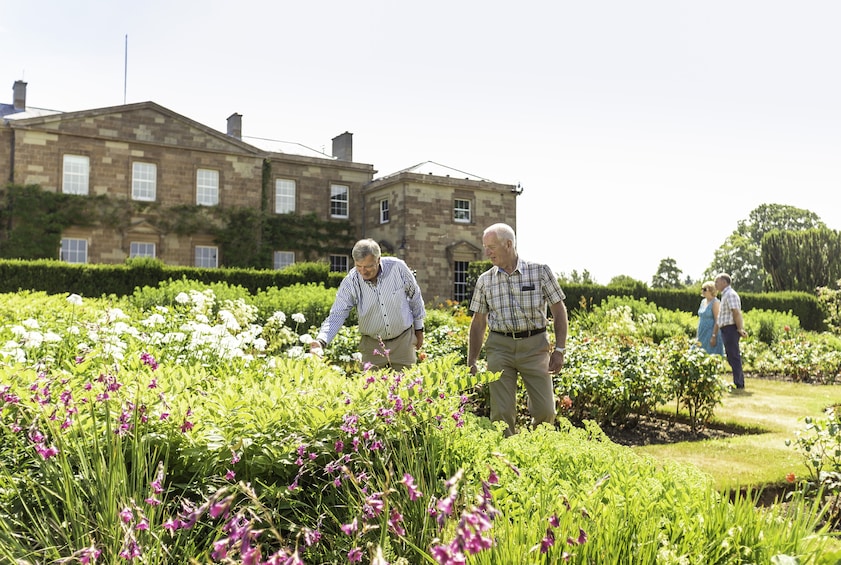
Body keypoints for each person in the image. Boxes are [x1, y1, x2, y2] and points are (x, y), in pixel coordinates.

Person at [466, 223, 568, 436]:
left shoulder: (540, 272)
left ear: (509, 244)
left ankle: (537, 452)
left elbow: (559, 311)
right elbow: (478, 323)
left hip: (535, 347)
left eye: (491, 246)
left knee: (545, 411)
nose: (487, 252)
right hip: (499, 348)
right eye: (485, 246)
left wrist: (559, 350)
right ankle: (506, 460)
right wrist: (472, 362)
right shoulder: (485, 281)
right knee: (501, 413)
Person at [310, 239, 426, 371]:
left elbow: (415, 296)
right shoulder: (351, 281)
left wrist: (419, 329)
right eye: (359, 266)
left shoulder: (398, 268)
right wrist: (321, 341)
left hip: (403, 342)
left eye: (368, 266)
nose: (363, 272)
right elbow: (338, 313)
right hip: (372, 346)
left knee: (408, 387)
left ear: (378, 260)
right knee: (370, 389)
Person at [715, 273, 747, 389]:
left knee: (734, 355)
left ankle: (739, 383)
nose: (715, 285)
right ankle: (737, 381)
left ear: (724, 282)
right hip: (726, 329)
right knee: (731, 355)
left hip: (730, 329)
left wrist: (739, 329)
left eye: (717, 282)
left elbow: (736, 312)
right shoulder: (725, 295)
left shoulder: (730, 295)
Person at [696, 281, 724, 355]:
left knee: (710, 353)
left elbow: (717, 320)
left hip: (711, 332)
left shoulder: (715, 302)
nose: (702, 291)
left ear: (711, 290)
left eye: (705, 289)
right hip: (702, 331)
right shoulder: (703, 302)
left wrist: (714, 336)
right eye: (702, 289)